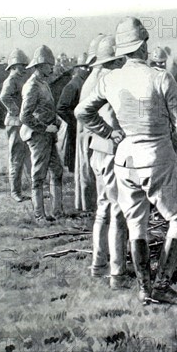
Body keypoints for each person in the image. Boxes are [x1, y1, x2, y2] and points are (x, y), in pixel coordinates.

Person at [76, 16, 177, 306]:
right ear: (143, 46)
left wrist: (111, 133)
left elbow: (82, 112)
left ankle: (144, 289)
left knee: (135, 224)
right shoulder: (160, 77)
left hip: (124, 159)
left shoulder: (110, 79)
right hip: (157, 155)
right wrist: (175, 143)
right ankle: (162, 286)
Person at [75, 35, 129, 288]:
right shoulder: (108, 79)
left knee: (103, 209)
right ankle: (117, 273)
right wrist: (109, 132)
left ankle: (98, 264)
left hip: (98, 151)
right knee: (118, 211)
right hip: (110, 151)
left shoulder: (91, 78)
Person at [19, 45, 64, 223]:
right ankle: (39, 216)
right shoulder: (31, 86)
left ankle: (58, 212)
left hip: (48, 136)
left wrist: (56, 121)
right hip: (38, 137)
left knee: (57, 170)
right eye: (49, 65)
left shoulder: (43, 83)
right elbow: (24, 116)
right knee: (38, 176)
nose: (52, 68)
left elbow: (46, 108)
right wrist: (45, 128)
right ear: (40, 65)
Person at [74, 35, 106, 212]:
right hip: (91, 133)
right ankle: (90, 207)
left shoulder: (92, 77)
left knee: (87, 170)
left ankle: (87, 206)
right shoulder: (97, 78)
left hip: (87, 131)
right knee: (91, 172)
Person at [150, 46, 177, 161]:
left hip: (172, 110)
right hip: (159, 115)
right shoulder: (150, 78)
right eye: (158, 63)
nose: (161, 65)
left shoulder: (170, 75)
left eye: (163, 62)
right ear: (153, 63)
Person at [0, 48, 32, 202]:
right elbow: (4, 97)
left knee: (27, 157)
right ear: (13, 66)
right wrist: (17, 111)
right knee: (16, 158)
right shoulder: (11, 80)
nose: (24, 68)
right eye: (21, 66)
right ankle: (15, 192)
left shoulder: (20, 79)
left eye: (25, 65)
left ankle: (33, 189)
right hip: (15, 123)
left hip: (22, 122)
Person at [56, 53, 92, 173]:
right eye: (84, 67)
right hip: (76, 127)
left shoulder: (87, 82)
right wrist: (75, 120)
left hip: (86, 126)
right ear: (78, 68)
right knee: (76, 160)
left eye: (89, 67)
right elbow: (61, 108)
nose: (87, 69)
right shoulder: (73, 84)